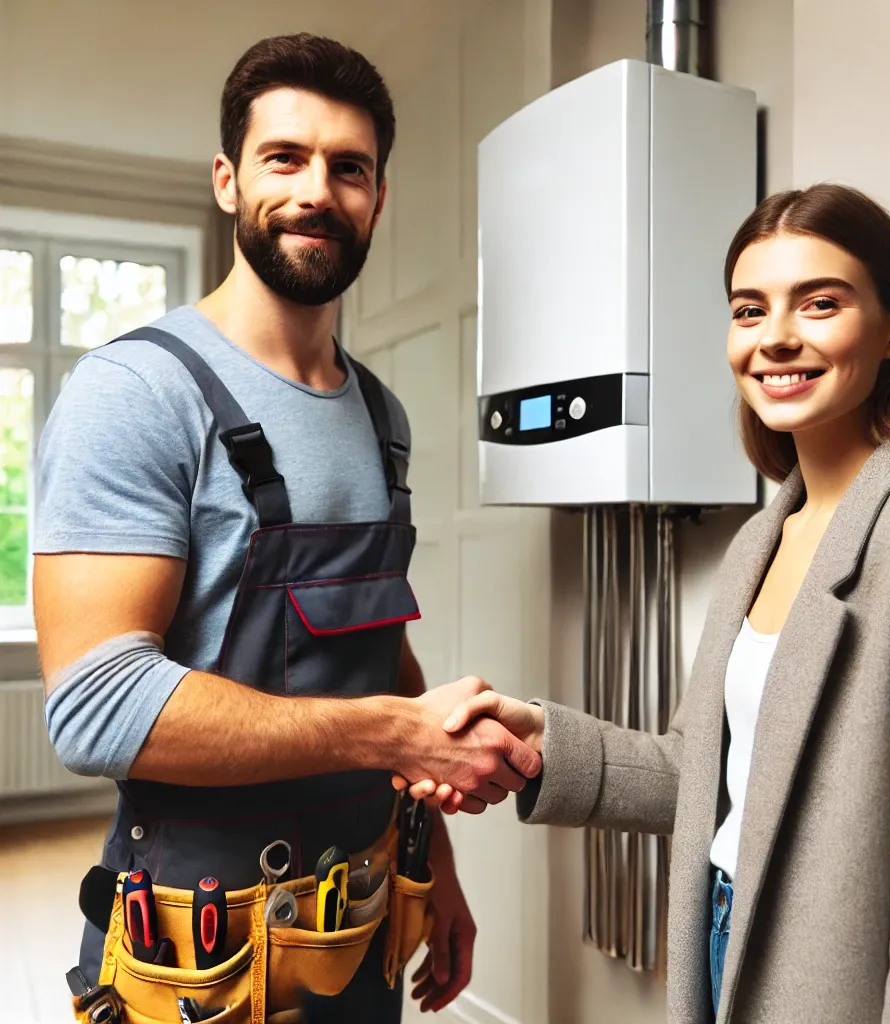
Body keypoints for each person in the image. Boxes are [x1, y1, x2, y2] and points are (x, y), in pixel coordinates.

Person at [399, 183, 890, 1021]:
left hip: (834, 978)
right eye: (749, 310)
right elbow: (704, 771)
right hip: (719, 937)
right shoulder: (764, 539)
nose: (776, 339)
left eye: (821, 303)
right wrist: (539, 741)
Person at [34, 33, 540, 1021]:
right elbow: (95, 706)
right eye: (285, 158)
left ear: (378, 198)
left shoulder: (378, 416)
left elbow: (369, 644)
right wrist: (395, 732)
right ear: (227, 181)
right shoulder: (135, 393)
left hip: (353, 924)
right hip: (197, 953)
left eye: (348, 167)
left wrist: (432, 863)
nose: (318, 190)